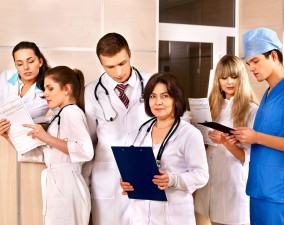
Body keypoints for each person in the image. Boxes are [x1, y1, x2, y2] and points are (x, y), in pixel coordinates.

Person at [0, 66, 94, 225]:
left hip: (67, 185)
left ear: (66, 89)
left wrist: (46, 137)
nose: (45, 93)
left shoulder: (72, 113)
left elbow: (85, 151)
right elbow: (42, 155)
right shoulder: (61, 116)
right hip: (58, 185)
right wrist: (8, 137)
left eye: (50, 88)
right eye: (44, 89)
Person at [120, 72, 209, 225]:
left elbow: (201, 175)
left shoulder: (189, 134)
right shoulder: (141, 131)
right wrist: (127, 181)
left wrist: (173, 180)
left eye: (165, 96)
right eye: (153, 96)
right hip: (140, 215)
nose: (158, 102)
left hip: (174, 216)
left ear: (176, 99)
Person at [83, 32, 151, 225]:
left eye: (122, 63)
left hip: (145, 172)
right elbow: (89, 143)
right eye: (110, 67)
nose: (118, 72)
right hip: (108, 178)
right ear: (101, 63)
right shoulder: (91, 92)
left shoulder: (153, 83)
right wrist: (86, 187)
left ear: (129, 53)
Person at [194, 55, 258, 225]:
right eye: (223, 77)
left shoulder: (251, 110)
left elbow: (246, 157)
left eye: (234, 77)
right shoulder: (214, 106)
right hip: (211, 182)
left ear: (241, 78)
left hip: (233, 183)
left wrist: (224, 141)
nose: (229, 82)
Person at [231, 27, 284, 225]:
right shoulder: (267, 94)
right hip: (259, 188)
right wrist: (243, 137)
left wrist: (256, 137)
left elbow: (261, 138)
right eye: (248, 63)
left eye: (255, 61)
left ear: (273, 55)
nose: (251, 68)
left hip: (278, 193)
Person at [0, 41, 50, 123]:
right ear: (15, 65)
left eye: (31, 61)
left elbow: (62, 112)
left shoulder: (49, 86)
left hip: (31, 133)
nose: (26, 67)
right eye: (20, 64)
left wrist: (42, 120)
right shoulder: (5, 76)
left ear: (40, 62)